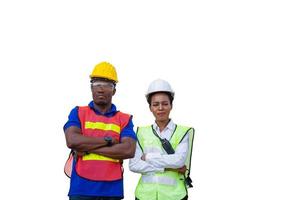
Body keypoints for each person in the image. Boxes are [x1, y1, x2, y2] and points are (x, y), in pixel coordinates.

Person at [64, 61, 137, 200]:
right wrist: (108, 141)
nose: (101, 89)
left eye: (107, 85)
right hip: (81, 189)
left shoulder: (124, 118)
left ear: (114, 90)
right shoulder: (78, 112)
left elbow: (128, 150)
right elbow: (72, 140)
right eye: (96, 84)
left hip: (112, 190)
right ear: (91, 88)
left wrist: (87, 148)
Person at [129, 79, 195, 200]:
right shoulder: (141, 132)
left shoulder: (183, 132)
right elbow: (134, 165)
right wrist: (167, 167)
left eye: (165, 104)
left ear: (171, 105)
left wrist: (148, 157)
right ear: (150, 107)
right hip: (144, 195)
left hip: (175, 196)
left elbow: (179, 161)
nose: (160, 108)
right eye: (155, 104)